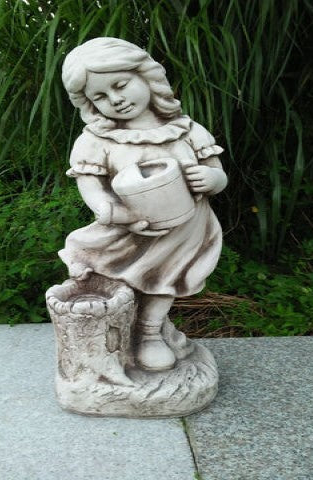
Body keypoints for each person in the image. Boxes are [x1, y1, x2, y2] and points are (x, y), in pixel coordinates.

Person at [60, 37, 227, 371]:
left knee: (167, 278)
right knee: (115, 275)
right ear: (90, 104)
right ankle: (115, 331)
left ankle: (150, 333)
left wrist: (212, 181)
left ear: (146, 77)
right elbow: (90, 185)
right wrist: (113, 212)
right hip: (131, 226)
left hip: (185, 228)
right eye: (101, 97)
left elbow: (217, 173)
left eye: (121, 85)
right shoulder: (97, 140)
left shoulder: (185, 130)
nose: (116, 100)